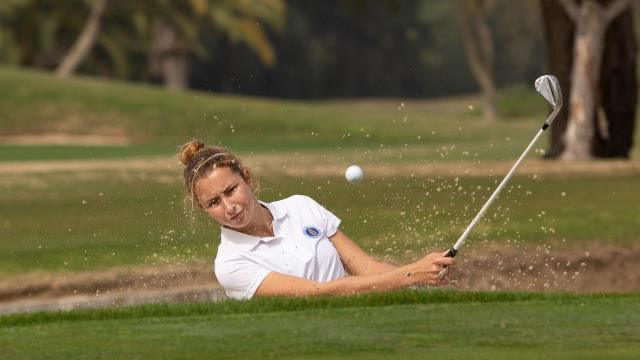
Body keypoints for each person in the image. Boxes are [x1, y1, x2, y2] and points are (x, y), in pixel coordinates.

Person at [179, 140, 455, 300]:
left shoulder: (301, 206)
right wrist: (409, 274)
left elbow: (366, 267)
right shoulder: (230, 264)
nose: (229, 207)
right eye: (214, 202)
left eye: (231, 190)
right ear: (203, 208)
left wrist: (422, 281)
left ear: (248, 179)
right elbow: (318, 293)